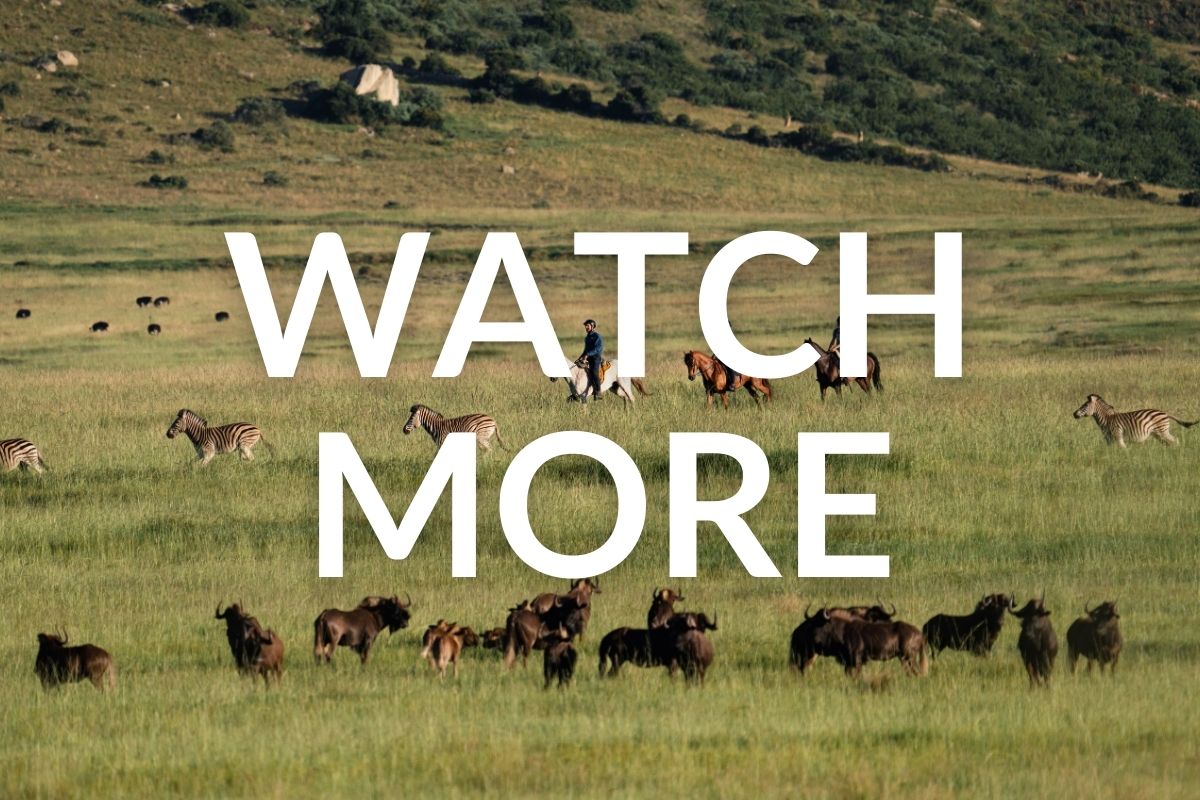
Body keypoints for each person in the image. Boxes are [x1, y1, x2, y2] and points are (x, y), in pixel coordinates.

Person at [579, 319, 604, 401]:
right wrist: (581, 357)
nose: (586, 327)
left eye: (587, 326)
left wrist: (587, 354)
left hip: (596, 358)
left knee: (594, 372)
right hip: (588, 358)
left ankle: (598, 392)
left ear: (592, 326)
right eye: (585, 326)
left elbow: (597, 349)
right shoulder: (587, 338)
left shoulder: (597, 337)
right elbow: (586, 349)